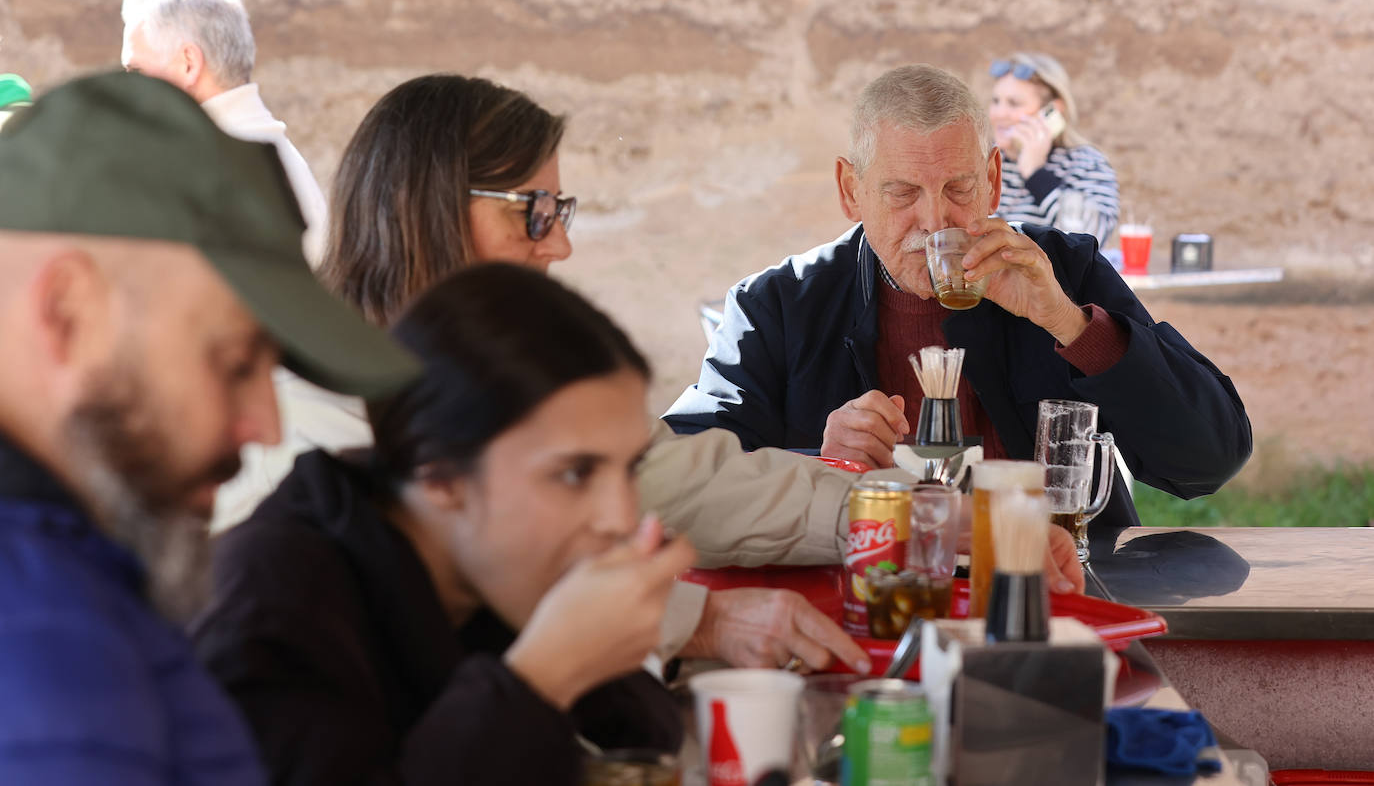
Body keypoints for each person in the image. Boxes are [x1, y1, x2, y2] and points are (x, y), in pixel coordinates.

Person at [211, 73, 894, 674]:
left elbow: (683, 479)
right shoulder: (303, 407)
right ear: (430, 210)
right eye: (534, 212)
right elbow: (437, 594)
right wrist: (695, 621)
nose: (560, 244)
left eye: (559, 211)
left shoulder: (507, 370)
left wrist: (891, 511)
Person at [0, 73, 417, 782]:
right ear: (67, 314)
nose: (266, 426)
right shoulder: (41, 638)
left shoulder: (78, 577)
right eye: (234, 364)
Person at [664, 64, 1252, 528]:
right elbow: (677, 484)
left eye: (959, 188)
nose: (934, 221)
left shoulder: (1060, 271)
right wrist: (821, 467)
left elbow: (1210, 460)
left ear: (992, 180)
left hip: (1054, 596)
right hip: (863, 601)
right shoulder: (778, 307)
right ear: (851, 190)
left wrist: (1069, 323)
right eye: (902, 193)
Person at [193, 264, 697, 785]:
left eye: (631, 467)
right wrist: (542, 677)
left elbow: (634, 741)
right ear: (441, 479)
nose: (620, 517)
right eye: (574, 473)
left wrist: (599, 657)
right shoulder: (277, 612)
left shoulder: (482, 573)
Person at [121, 0, 331, 264]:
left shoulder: (205, 171)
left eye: (136, 71)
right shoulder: (271, 156)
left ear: (188, 64)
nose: (125, 88)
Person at [988, 52, 1120, 244]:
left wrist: (1035, 173)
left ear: (1052, 111)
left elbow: (1089, 240)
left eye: (1014, 103)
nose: (999, 114)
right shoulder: (983, 161)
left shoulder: (1087, 163)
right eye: (996, 101)